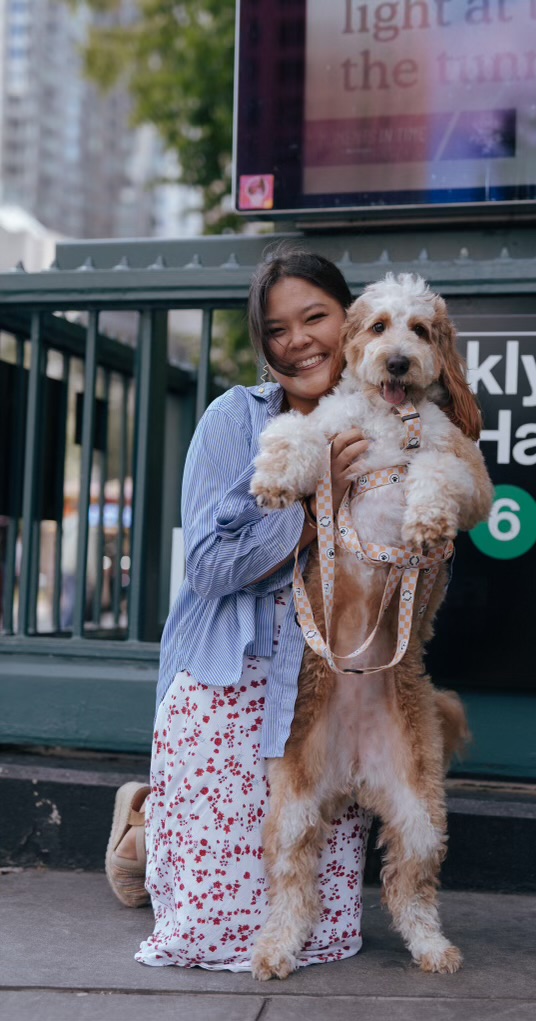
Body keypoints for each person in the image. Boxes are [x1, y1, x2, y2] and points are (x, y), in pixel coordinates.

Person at [105, 246, 374, 972]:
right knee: (213, 933)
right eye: (278, 329)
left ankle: (152, 815)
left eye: (315, 316)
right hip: (234, 671)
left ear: (349, 317)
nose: (299, 340)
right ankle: (147, 821)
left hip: (330, 685)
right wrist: (318, 508)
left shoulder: (386, 418)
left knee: (326, 931)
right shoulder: (236, 418)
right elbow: (207, 566)